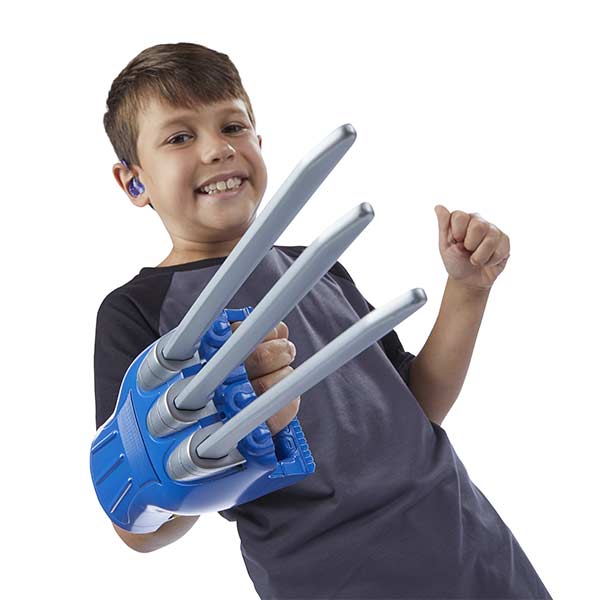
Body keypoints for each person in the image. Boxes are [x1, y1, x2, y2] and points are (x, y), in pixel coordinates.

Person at [94, 41, 552, 599]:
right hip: (334, 581)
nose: (218, 149)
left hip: (473, 551)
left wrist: (468, 290)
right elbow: (138, 528)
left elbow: (417, 406)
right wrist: (218, 440)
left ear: (259, 143)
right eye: (179, 137)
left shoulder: (319, 266)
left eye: (233, 127)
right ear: (133, 181)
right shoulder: (138, 310)